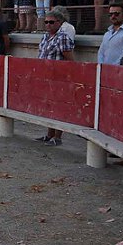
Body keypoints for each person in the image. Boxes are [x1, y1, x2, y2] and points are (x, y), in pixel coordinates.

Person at [35, 11, 75, 146]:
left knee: (58, 107)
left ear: (59, 23)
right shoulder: (45, 37)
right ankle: (49, 134)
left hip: (59, 78)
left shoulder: (63, 37)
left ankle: (57, 137)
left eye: (51, 22)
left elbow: (70, 61)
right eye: (46, 22)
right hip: (45, 77)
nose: (48, 25)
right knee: (49, 106)